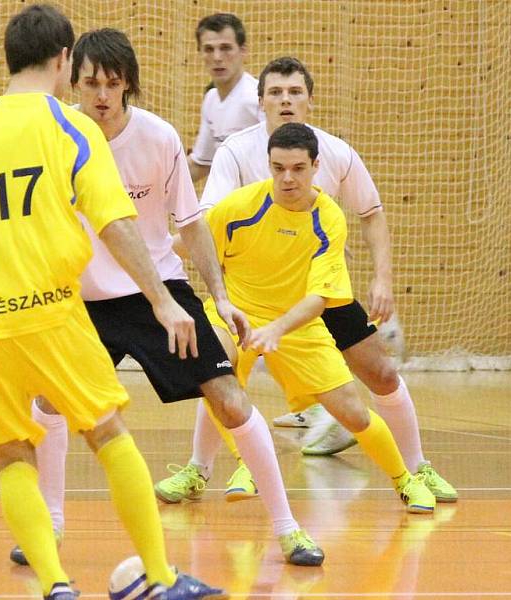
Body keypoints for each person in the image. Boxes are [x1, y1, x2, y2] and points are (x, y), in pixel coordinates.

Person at [0, 5, 223, 599]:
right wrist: (163, 299)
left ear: (8, 58)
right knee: (109, 433)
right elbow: (115, 223)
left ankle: (56, 585)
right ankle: (163, 579)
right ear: (65, 59)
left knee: (12, 454)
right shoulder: (72, 129)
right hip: (49, 311)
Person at [8, 27, 324, 570]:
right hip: (81, 296)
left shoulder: (158, 138)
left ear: (128, 82)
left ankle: (287, 528)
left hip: (159, 292)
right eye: (90, 84)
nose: (101, 96)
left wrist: (219, 296)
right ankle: (51, 525)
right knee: (49, 399)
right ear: (73, 84)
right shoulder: (57, 139)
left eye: (112, 83)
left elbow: (192, 222)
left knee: (228, 397)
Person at [162, 57, 456, 503]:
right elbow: (202, 224)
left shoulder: (335, 155)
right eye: (275, 93)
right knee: (218, 367)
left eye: (294, 92)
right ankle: (202, 468)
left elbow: (372, 213)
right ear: (259, 102)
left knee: (379, 372)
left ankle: (417, 469)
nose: (285, 100)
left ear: (309, 101)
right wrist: (151, 257)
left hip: (319, 290)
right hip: (252, 292)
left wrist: (382, 278)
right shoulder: (236, 153)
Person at [187, 13, 262, 183]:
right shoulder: (211, 100)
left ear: (243, 51)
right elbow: (201, 163)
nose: (217, 57)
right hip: (231, 201)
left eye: (226, 48)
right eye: (209, 49)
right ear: (199, 53)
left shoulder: (259, 97)